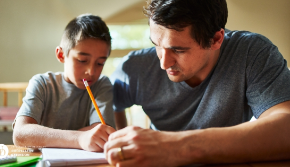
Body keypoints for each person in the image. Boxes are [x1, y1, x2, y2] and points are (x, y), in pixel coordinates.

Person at [104, 0, 290, 166]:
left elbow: (286, 126)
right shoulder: (134, 67)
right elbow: (97, 112)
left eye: (178, 50)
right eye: (156, 45)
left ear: (216, 39)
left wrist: (174, 147)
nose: (164, 63)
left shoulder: (252, 53)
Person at [13, 14, 116, 152]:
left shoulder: (101, 85)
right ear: (61, 55)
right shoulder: (42, 84)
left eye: (100, 63)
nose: (91, 71)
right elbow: (21, 135)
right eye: (82, 60)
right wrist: (79, 139)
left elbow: (101, 133)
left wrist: (44, 138)